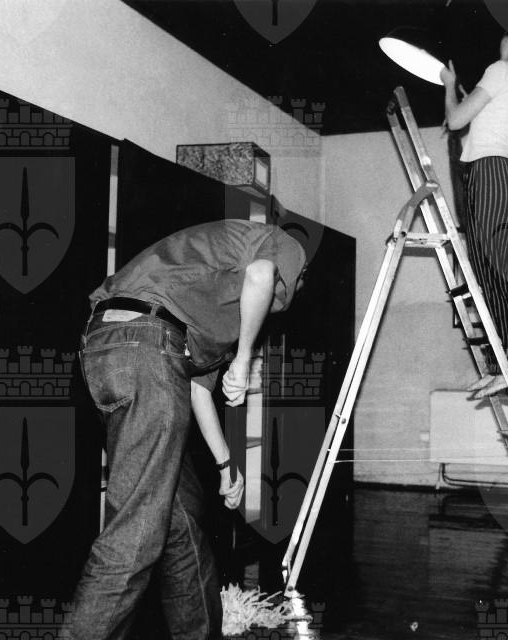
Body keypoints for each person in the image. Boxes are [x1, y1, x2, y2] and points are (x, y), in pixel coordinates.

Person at [71, 218, 307, 640]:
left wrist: (226, 466)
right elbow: (261, 274)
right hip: (147, 346)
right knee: (136, 533)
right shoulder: (283, 246)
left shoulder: (208, 312)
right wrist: (244, 359)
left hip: (108, 347)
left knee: (180, 522)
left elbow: (197, 391)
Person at [440, 31, 508, 399]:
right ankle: (502, 366)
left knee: (495, 276)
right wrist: (469, 99)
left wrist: (449, 86)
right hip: (506, 176)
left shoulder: (502, 69)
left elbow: (455, 121)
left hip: (492, 174)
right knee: (489, 276)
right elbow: (485, 123)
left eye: (502, 38)